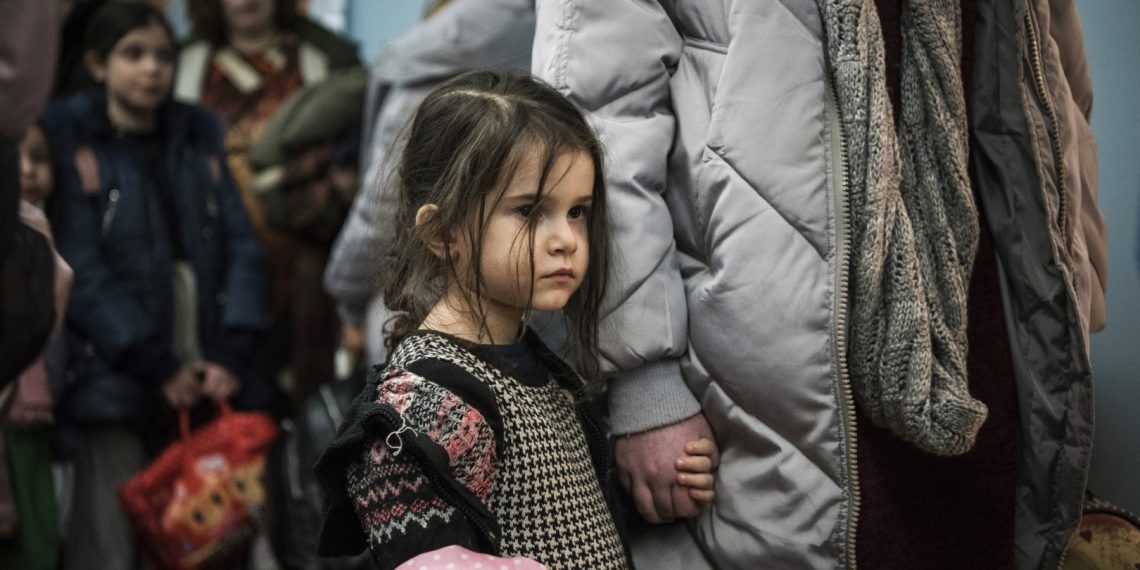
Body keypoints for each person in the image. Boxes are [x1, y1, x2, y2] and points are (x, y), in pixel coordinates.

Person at [532, 0, 1105, 568]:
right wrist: (641, 379)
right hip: (758, 366)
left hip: (985, 326)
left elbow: (1058, 96)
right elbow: (599, 116)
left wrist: (1077, 291)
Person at [313, 70, 718, 570]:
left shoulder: (535, 366)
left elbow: (558, 518)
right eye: (530, 212)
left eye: (577, 212)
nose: (567, 238)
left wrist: (644, 492)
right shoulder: (423, 399)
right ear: (443, 232)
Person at [39, 3, 268, 567]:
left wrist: (230, 352)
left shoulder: (195, 138)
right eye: (133, 55)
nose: (151, 69)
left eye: (164, 55)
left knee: (201, 538)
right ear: (97, 64)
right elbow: (80, 268)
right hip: (114, 368)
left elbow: (242, 245)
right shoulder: (74, 143)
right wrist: (152, 362)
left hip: (201, 359)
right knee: (108, 542)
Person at [324, 0, 535, 366]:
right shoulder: (559, 41)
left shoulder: (432, 62)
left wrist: (346, 290)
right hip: (537, 313)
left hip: (431, 308)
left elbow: (383, 211)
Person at [177, 0, 360, 402]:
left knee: (312, 405)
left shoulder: (324, 60)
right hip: (218, 273)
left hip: (308, 266)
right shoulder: (185, 65)